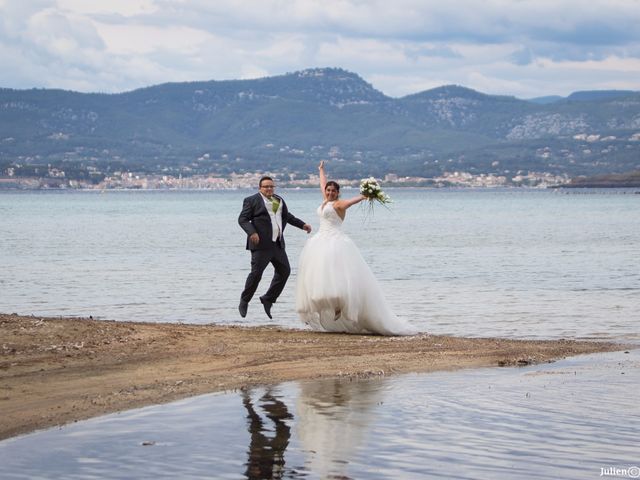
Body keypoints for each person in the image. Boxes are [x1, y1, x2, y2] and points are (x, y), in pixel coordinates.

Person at [295, 161, 414, 335]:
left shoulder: (339, 204)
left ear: (338, 193)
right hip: (320, 240)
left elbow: (351, 202)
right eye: (328, 190)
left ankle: (339, 306)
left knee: (336, 277)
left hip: (334, 242)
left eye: (333, 191)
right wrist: (321, 170)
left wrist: (366, 195)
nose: (329, 192)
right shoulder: (325, 200)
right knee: (320, 277)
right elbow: (322, 183)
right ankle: (328, 307)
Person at [238, 176, 311, 319]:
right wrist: (252, 232)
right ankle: (245, 300)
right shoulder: (251, 200)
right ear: (260, 188)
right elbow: (243, 219)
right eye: (266, 187)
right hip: (261, 246)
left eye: (271, 186)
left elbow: (287, 217)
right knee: (256, 274)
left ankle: (268, 299)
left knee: (285, 271)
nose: (269, 189)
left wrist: (302, 225)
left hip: (277, 244)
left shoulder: (279, 200)